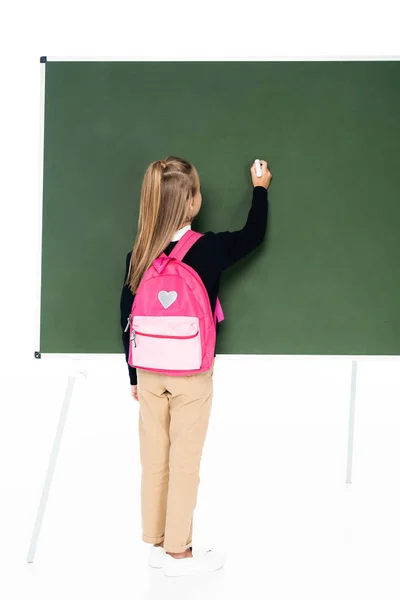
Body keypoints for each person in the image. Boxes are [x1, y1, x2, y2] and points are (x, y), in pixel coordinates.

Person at [120, 156, 272, 576]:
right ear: (191, 203)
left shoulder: (139, 253)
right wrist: (260, 188)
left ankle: (156, 543)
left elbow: (126, 316)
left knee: (154, 459)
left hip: (148, 372)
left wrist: (134, 375)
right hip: (191, 374)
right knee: (184, 461)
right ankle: (179, 554)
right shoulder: (209, 248)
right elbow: (253, 235)